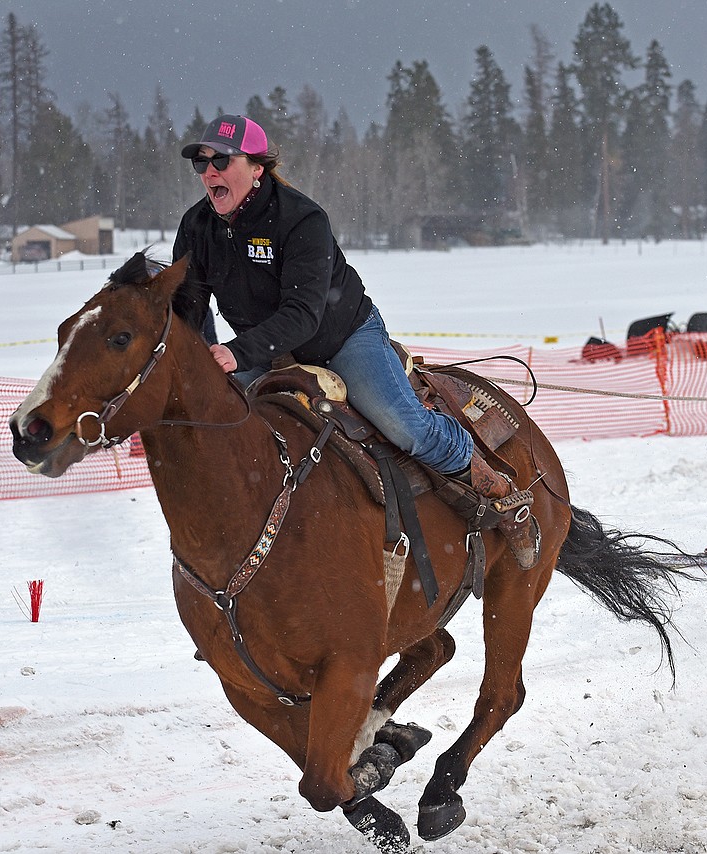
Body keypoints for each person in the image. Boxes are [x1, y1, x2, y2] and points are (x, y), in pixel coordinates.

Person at [170, 114, 538, 567]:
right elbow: (188, 304)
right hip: (262, 349)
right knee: (217, 425)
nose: (209, 172)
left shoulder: (301, 219)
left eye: (221, 161)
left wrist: (234, 352)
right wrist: (202, 357)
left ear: (258, 167)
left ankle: (495, 489)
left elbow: (303, 313)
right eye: (201, 163)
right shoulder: (196, 227)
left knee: (404, 425)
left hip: (340, 338)